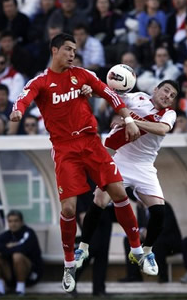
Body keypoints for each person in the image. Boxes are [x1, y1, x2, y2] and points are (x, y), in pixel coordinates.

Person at [10, 33, 144, 293]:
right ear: (55, 50)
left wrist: (128, 119)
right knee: (69, 210)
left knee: (118, 191)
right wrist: (18, 110)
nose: (72, 54)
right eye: (68, 49)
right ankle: (69, 263)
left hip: (91, 142)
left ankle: (138, 248)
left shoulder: (82, 75)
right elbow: (24, 97)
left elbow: (110, 94)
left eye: (75, 50)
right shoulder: (42, 81)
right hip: (65, 149)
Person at [75, 80, 180, 283]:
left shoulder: (169, 114)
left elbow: (161, 129)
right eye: (166, 90)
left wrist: (131, 121)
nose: (168, 96)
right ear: (156, 89)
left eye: (172, 95)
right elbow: (109, 95)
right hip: (121, 160)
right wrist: (90, 91)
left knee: (159, 211)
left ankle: (145, 251)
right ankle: (83, 247)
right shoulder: (136, 97)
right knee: (99, 200)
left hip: (144, 166)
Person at [0, 210, 43, 295]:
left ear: (21, 222)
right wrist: (6, 247)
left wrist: (5, 250)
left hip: (30, 273)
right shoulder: (6, 235)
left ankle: (20, 290)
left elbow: (23, 249)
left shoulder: (28, 233)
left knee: (17, 256)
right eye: (10, 221)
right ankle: (0, 289)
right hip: (10, 273)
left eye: (16, 221)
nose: (13, 224)